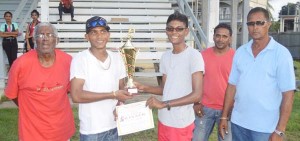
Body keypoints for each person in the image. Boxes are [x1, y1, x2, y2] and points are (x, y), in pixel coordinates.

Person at [219, 7, 296, 141]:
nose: (255, 27)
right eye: (251, 23)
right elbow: (232, 86)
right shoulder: (241, 52)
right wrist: (224, 116)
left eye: (260, 23)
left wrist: (280, 130)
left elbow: (288, 94)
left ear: (269, 24)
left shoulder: (281, 54)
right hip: (238, 124)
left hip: (265, 128)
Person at [134, 11, 204, 141]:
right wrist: (143, 87)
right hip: (164, 119)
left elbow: (197, 95)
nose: (174, 32)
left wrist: (164, 104)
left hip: (181, 122)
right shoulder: (165, 56)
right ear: (166, 31)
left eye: (179, 29)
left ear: (186, 31)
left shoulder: (194, 56)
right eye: (170, 28)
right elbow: (165, 89)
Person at [4, 22, 75, 140]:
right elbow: (12, 94)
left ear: (56, 40)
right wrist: (31, 109)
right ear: (35, 40)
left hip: (62, 131)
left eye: (49, 35)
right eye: (40, 35)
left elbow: (68, 90)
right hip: (31, 133)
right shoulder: (20, 64)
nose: (45, 39)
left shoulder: (68, 61)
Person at [70, 16, 133, 141]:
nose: (99, 36)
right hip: (92, 130)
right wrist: (113, 94)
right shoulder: (80, 59)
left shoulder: (117, 58)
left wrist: (121, 102)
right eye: (94, 32)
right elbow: (76, 96)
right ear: (86, 37)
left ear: (108, 35)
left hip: (115, 125)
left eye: (103, 31)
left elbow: (121, 89)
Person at [192, 23, 234, 141]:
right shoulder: (202, 56)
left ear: (230, 38)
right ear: (214, 37)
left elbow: (239, 85)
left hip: (227, 110)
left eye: (225, 36)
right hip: (205, 108)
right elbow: (195, 81)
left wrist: (234, 106)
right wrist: (196, 103)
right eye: (218, 36)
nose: (220, 39)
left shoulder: (236, 57)